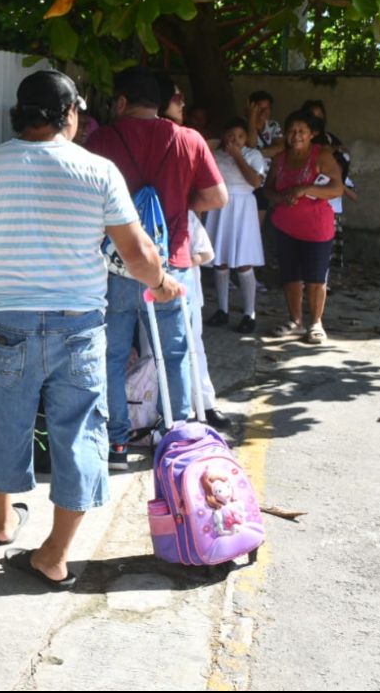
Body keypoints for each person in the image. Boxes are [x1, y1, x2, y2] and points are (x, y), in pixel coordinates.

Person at [0, 69, 182, 591]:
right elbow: (137, 254)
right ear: (70, 113)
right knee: (79, 431)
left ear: (19, 114)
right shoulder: (98, 172)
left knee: (1, 420)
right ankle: (54, 554)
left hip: (5, 322)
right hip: (78, 327)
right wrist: (163, 284)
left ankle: (3, 522)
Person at [89, 67, 228, 465]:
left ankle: (116, 443)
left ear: (121, 102)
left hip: (115, 264)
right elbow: (218, 197)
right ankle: (176, 436)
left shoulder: (103, 139)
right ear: (162, 102)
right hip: (172, 265)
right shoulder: (188, 139)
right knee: (174, 353)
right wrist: (179, 204)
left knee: (113, 355)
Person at [264, 110, 344, 345]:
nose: (295, 135)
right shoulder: (281, 158)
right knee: (290, 276)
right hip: (285, 226)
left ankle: (316, 323)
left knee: (316, 278)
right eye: (291, 131)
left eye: (301, 131)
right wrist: (279, 199)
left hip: (316, 228)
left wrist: (305, 188)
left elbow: (337, 188)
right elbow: (268, 189)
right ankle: (295, 321)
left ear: (312, 134)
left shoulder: (322, 156)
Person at [204, 118, 268, 334]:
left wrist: (237, 156)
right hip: (220, 206)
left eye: (241, 136)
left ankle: (249, 313)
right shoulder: (215, 155)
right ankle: (222, 309)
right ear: (224, 136)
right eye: (231, 136)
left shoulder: (253, 155)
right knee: (220, 261)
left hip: (243, 207)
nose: (236, 140)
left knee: (243, 262)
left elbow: (256, 182)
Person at [301, 99, 357, 270]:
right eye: (312, 115)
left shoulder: (330, 139)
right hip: (308, 204)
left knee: (325, 247)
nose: (317, 119)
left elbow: (345, 153)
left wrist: (338, 179)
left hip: (330, 209)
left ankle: (321, 280)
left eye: (320, 116)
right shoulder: (302, 140)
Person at [186, 212, 221, 424]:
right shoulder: (141, 207)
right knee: (151, 352)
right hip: (149, 294)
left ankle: (206, 405)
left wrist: (184, 261)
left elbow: (207, 252)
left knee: (194, 348)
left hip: (186, 293)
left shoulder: (186, 214)